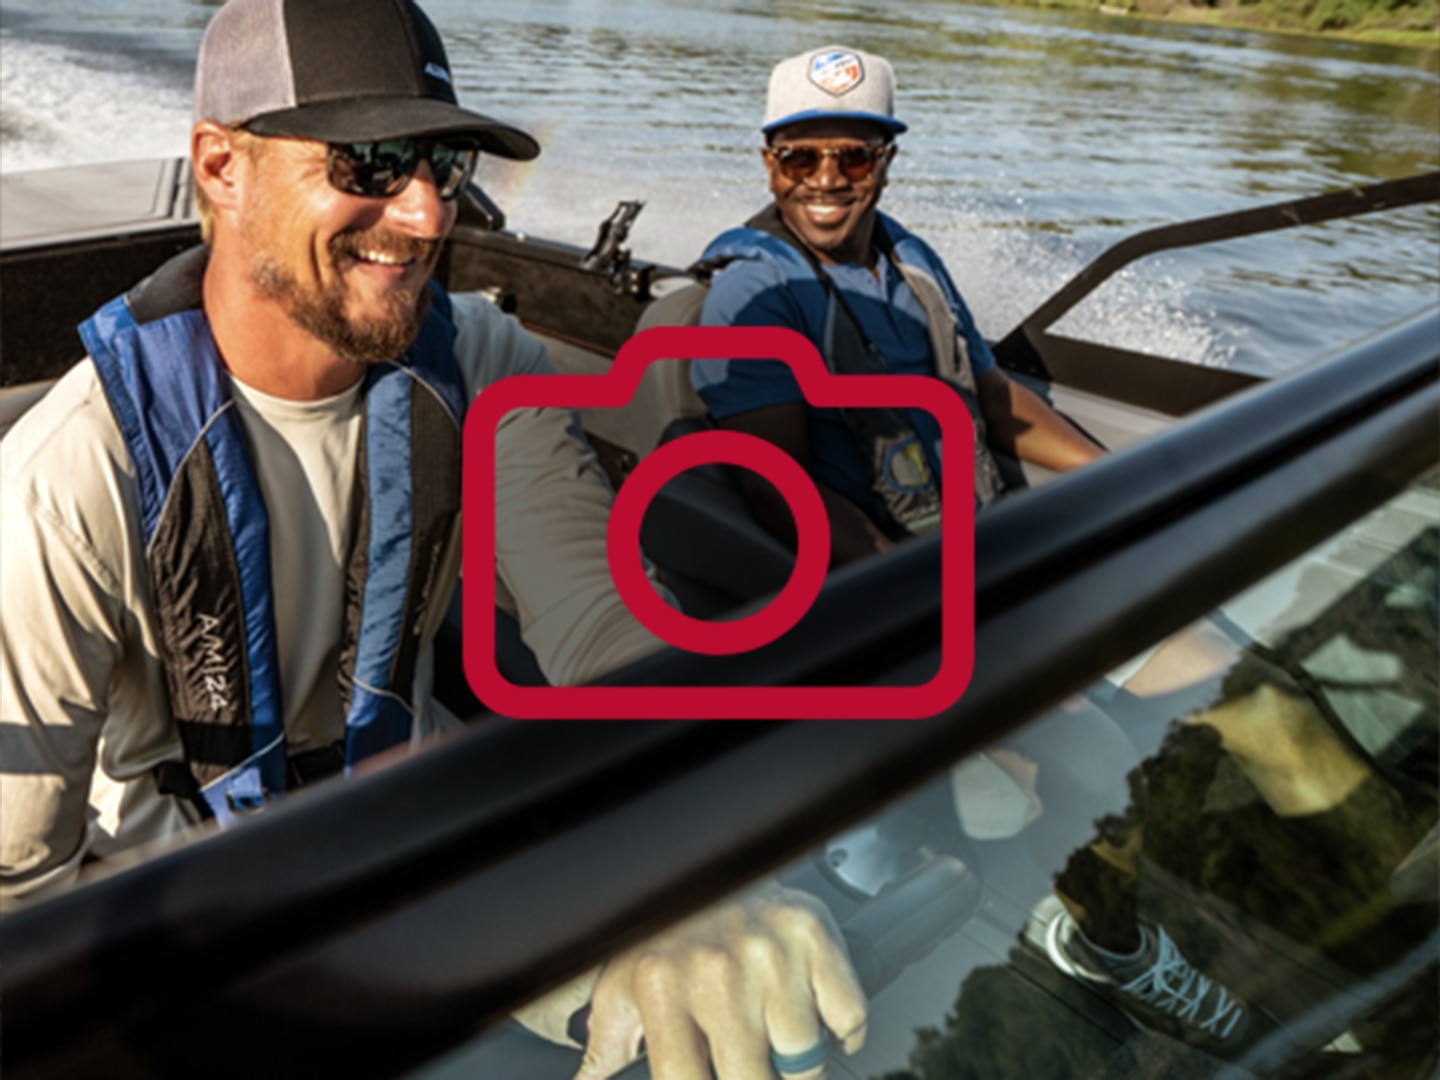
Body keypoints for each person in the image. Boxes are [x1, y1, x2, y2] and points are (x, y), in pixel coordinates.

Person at [0, 1, 865, 1074]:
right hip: (195, 938)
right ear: (222, 169)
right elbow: (21, 896)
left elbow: (607, 634)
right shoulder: (69, 481)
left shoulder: (469, 366)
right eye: (367, 163)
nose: (422, 216)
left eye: (443, 166)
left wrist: (684, 870)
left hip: (423, 855)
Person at [690, 46, 1104, 564]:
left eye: (855, 157)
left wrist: (1117, 472)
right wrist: (920, 590)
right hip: (896, 573)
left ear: (886, 161)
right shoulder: (753, 295)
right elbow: (778, 492)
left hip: (986, 538)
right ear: (770, 166)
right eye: (800, 158)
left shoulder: (913, 262)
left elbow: (993, 397)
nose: (827, 179)